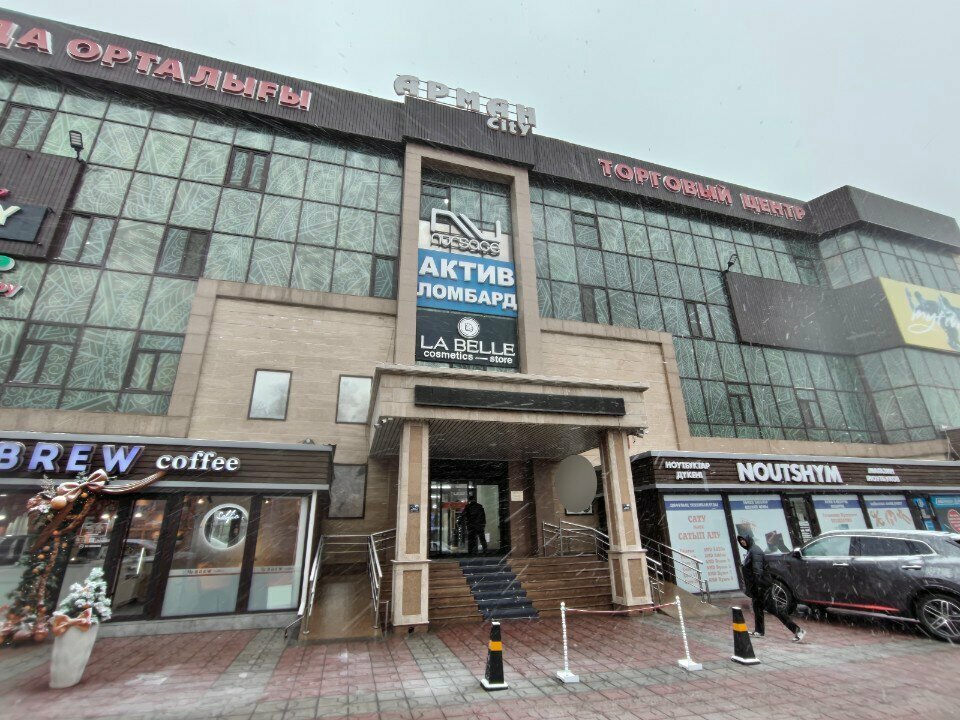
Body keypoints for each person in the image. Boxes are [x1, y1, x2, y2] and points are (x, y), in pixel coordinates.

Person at [737, 534, 806, 642]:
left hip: (761, 586)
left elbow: (757, 570)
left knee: (775, 610)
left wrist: (759, 587)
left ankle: (798, 631)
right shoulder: (751, 550)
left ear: (748, 539)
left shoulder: (755, 551)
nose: (742, 542)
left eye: (743, 540)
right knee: (757, 608)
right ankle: (759, 631)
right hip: (757, 587)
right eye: (740, 541)